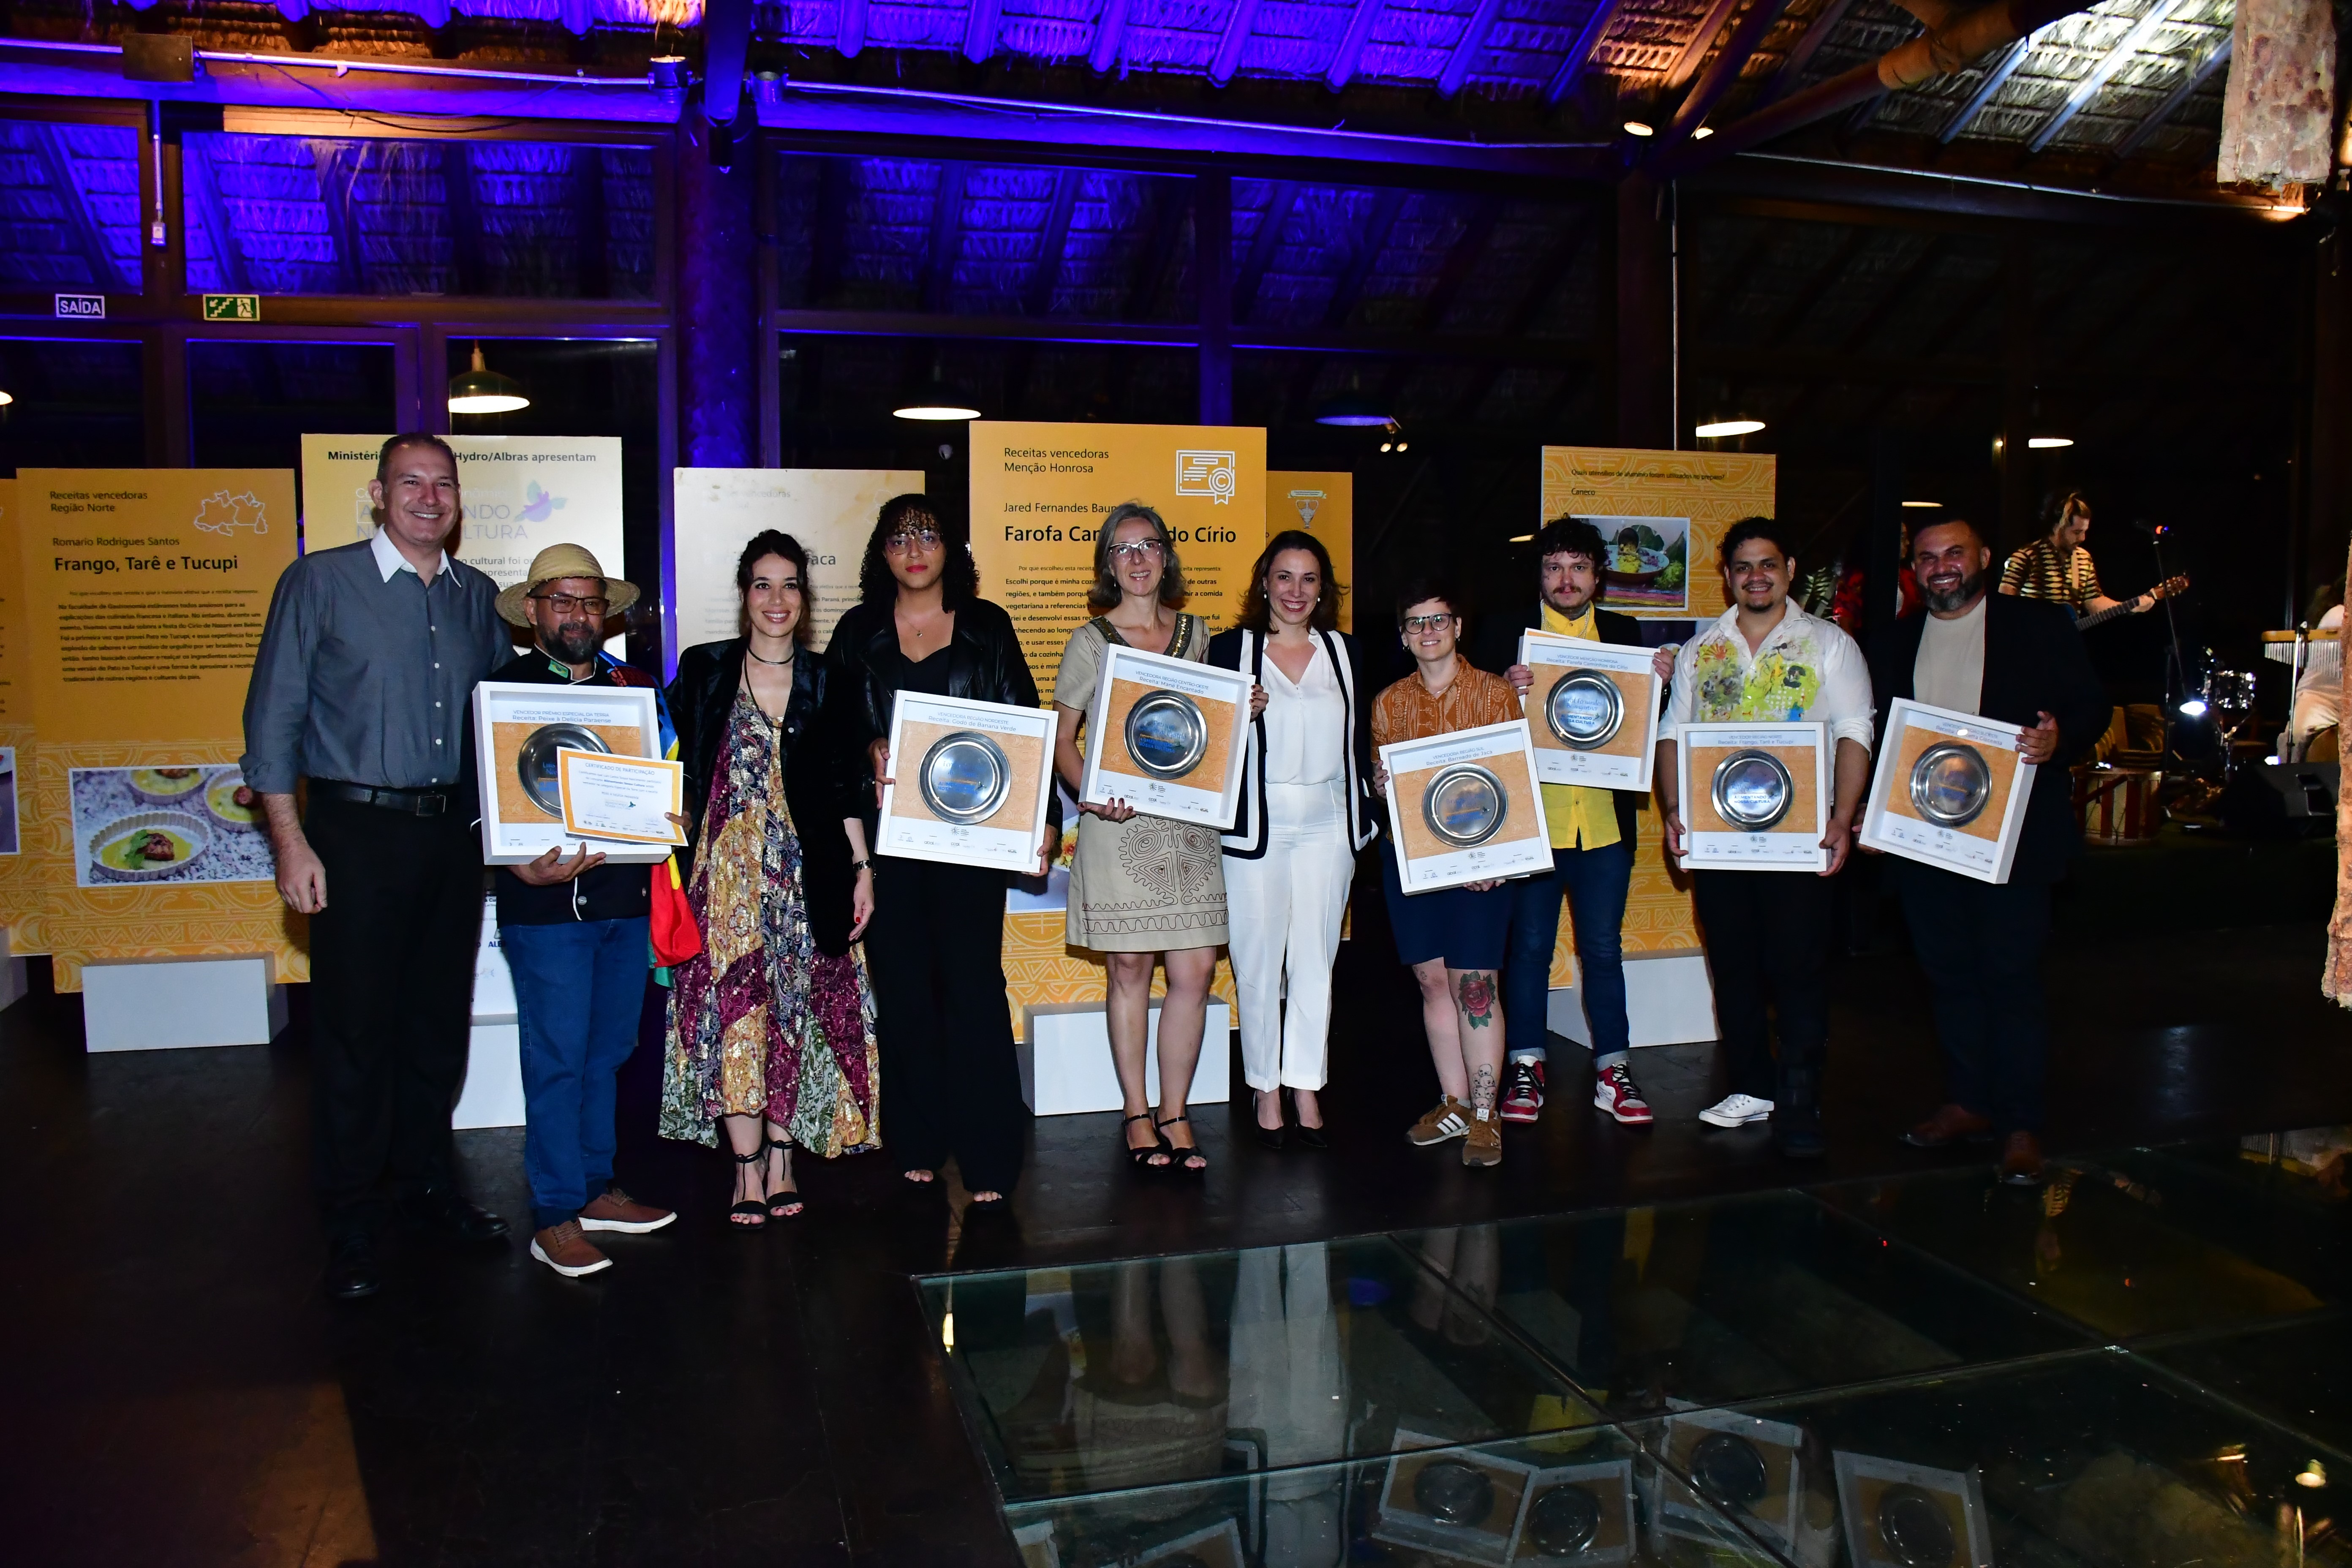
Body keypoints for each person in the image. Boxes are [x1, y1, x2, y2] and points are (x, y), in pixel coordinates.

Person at [242, 432, 512, 1301]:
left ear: (458, 499)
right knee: (356, 1032)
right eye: (411, 482)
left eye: (443, 484)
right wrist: (291, 841)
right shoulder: (319, 582)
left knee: (435, 1026)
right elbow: (273, 718)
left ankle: (427, 1188)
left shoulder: (478, 597)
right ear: (377, 493)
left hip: (450, 836)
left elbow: (505, 722)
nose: (429, 498)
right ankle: (352, 1217)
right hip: (353, 832)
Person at [828, 495, 1053, 1207]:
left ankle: (989, 1157)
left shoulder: (988, 626)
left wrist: (1043, 820)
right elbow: (829, 732)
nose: (915, 549)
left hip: (971, 842)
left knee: (974, 990)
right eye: (900, 538)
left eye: (927, 534)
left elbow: (1026, 726)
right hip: (888, 845)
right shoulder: (857, 631)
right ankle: (918, 1142)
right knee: (903, 994)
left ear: (950, 546)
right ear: (882, 553)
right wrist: (868, 745)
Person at [1870, 518, 2109, 1186]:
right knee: (1947, 977)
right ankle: (1969, 1102)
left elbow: (2091, 707)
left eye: (1954, 553)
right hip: (1922, 842)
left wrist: (2059, 741)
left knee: (2011, 980)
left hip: (2014, 841)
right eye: (1927, 557)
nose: (1941, 566)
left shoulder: (2039, 626)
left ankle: (2021, 1125)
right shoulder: (1891, 641)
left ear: (1983, 557)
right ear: (1914, 569)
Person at [663, 530, 878, 1230]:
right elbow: (665, 753)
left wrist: (862, 868)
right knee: (734, 1019)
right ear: (743, 594)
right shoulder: (704, 670)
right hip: (723, 883)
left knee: (796, 1015)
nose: (776, 599)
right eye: (763, 584)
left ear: (804, 598)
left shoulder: (831, 680)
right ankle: (746, 1166)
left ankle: (784, 1160)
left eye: (789, 585)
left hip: (808, 879)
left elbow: (847, 786)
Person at [1655, 517, 1876, 1159]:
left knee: (1799, 968)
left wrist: (1842, 817)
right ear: (1727, 576)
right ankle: (1751, 1087)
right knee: (1733, 966)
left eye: (1768, 565)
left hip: (1800, 840)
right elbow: (1671, 734)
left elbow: (1855, 732)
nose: (1757, 577)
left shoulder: (1830, 644)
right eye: (1744, 566)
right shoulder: (1701, 649)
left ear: (1790, 571)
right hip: (1718, 840)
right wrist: (1674, 808)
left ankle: (1800, 1099)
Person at [485, 545, 678, 1277]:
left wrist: (675, 810)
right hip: (542, 908)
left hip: (624, 903)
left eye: (590, 602)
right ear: (533, 610)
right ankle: (554, 1215)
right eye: (561, 601)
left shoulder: (635, 691)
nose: (577, 615)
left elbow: (665, 778)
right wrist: (512, 862)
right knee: (558, 1061)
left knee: (609, 1055)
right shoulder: (502, 692)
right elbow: (478, 798)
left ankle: (596, 1188)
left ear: (607, 613)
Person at [1468, 517, 1675, 1130]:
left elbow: (1640, 722)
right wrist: (1502, 689)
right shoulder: (1507, 634)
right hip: (1535, 824)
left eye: (1579, 567)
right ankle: (1526, 1066)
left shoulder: (1624, 634)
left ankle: (1615, 1069)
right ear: (1540, 574)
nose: (1566, 579)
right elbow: (1474, 717)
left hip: (1604, 825)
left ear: (1597, 575)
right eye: (1555, 567)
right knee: (1529, 949)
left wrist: (1660, 687)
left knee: (1603, 950)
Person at [1053, 503, 1228, 1175]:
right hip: (1117, 825)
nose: (1137, 559)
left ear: (1166, 556)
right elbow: (1063, 738)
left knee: (1195, 970)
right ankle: (1136, 1111)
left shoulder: (1198, 633)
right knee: (1129, 968)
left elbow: (1209, 727)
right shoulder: (1090, 641)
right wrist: (1090, 794)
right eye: (1123, 549)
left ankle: (1175, 1111)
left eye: (1149, 545)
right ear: (1108, 563)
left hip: (1188, 826)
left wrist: (1243, 712)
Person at [1208, 531, 1377, 1151]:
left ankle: (1306, 1083)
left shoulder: (1346, 652)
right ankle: (1265, 1086)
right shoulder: (1230, 650)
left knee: (1315, 959)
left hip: (1330, 821)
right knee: (1257, 959)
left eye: (1309, 579)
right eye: (1285, 577)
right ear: (1264, 582)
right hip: (1260, 822)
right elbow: (1199, 737)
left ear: (1323, 588)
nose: (1296, 591)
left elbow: (1363, 738)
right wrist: (1235, 713)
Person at [1372, 580, 1523, 1169]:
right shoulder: (1388, 703)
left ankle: (1487, 1113)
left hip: (1479, 867)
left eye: (1439, 620)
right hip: (1411, 859)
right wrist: (1381, 785)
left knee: (1475, 986)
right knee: (1433, 982)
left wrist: (1495, 860)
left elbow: (1512, 780)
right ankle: (1455, 1104)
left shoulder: (1495, 694)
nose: (1428, 631)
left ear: (1458, 628)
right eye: (1416, 623)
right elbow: (1387, 787)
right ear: (1403, 636)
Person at [1999, 492, 2158, 621]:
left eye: (2085, 531)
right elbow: (2004, 605)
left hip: (2066, 644)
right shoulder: (2026, 557)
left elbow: (2094, 602)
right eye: (2077, 532)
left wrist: (2128, 607)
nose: (2083, 538)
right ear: (2057, 527)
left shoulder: (2083, 559)